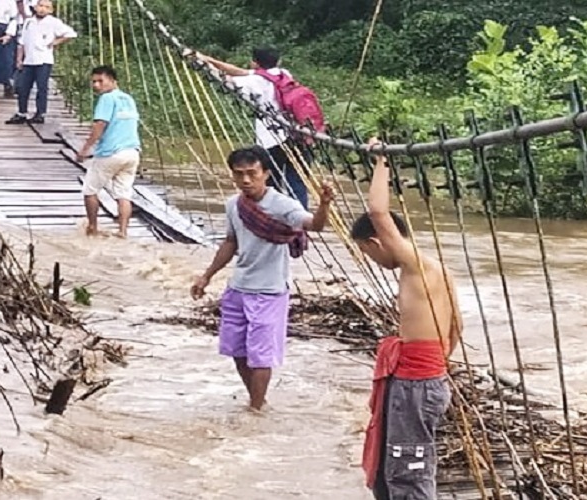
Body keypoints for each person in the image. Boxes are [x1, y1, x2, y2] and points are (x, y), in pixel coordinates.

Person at [353, 137, 462, 499]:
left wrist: (381, 161)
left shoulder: (413, 264)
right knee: (406, 465)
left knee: (407, 470)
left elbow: (378, 213)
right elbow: (456, 326)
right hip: (429, 378)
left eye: (366, 253)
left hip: (416, 385)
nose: (373, 261)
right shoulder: (438, 269)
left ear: (375, 243)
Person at [190, 146, 334, 412]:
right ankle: (258, 402)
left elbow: (313, 225)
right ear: (233, 176)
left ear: (266, 173)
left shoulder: (283, 205)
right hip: (237, 289)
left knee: (260, 356)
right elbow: (231, 243)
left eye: (252, 173)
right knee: (237, 351)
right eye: (239, 174)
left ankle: (255, 411)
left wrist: (324, 205)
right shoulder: (234, 205)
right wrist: (206, 276)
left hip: (269, 291)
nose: (246, 180)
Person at [192, 47, 310, 209]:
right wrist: (209, 60)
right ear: (279, 61)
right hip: (297, 137)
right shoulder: (284, 74)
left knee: (269, 186)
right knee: (296, 185)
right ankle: (300, 223)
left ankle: (271, 222)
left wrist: (199, 62)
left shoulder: (252, 82)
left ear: (254, 62)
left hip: (271, 142)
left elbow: (223, 79)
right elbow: (240, 72)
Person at [76, 66, 141, 239]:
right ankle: (123, 231)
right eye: (94, 82)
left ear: (112, 81)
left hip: (110, 153)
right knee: (124, 194)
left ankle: (92, 228)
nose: (96, 85)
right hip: (132, 153)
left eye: (100, 81)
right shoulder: (128, 99)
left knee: (90, 189)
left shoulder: (107, 99)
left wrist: (84, 149)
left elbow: (100, 126)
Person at [5, 0, 76, 124]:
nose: (42, 9)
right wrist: (19, 59)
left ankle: (40, 113)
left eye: (46, 7)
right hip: (29, 60)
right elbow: (21, 42)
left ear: (51, 10)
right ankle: (22, 112)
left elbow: (71, 33)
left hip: (44, 60)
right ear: (35, 7)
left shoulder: (53, 22)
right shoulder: (28, 22)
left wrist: (55, 42)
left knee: (42, 88)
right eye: (41, 6)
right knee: (22, 87)